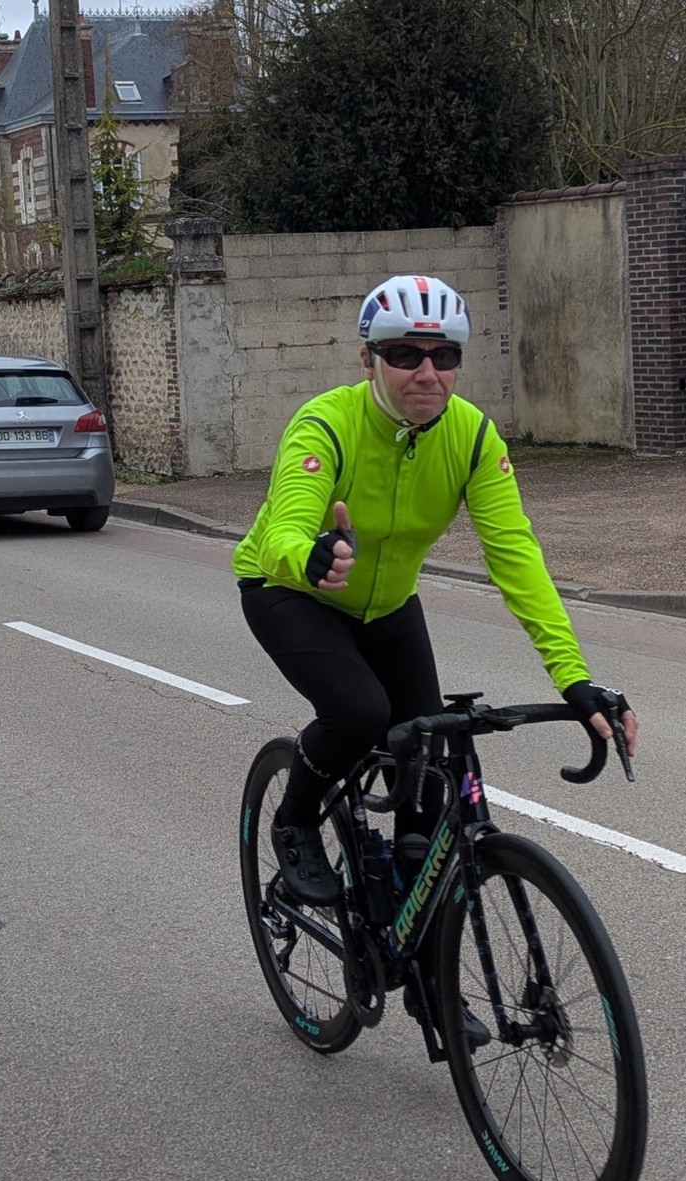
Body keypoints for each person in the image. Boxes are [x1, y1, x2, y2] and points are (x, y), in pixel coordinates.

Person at [234, 273, 639, 1040]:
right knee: (360, 711)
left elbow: (515, 556)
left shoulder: (472, 437)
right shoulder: (324, 425)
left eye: (443, 356)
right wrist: (307, 555)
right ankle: (294, 821)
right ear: (368, 360)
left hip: (388, 605)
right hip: (292, 589)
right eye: (404, 355)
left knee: (426, 772)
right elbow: (287, 519)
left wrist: (574, 679)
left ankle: (425, 979)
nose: (426, 372)